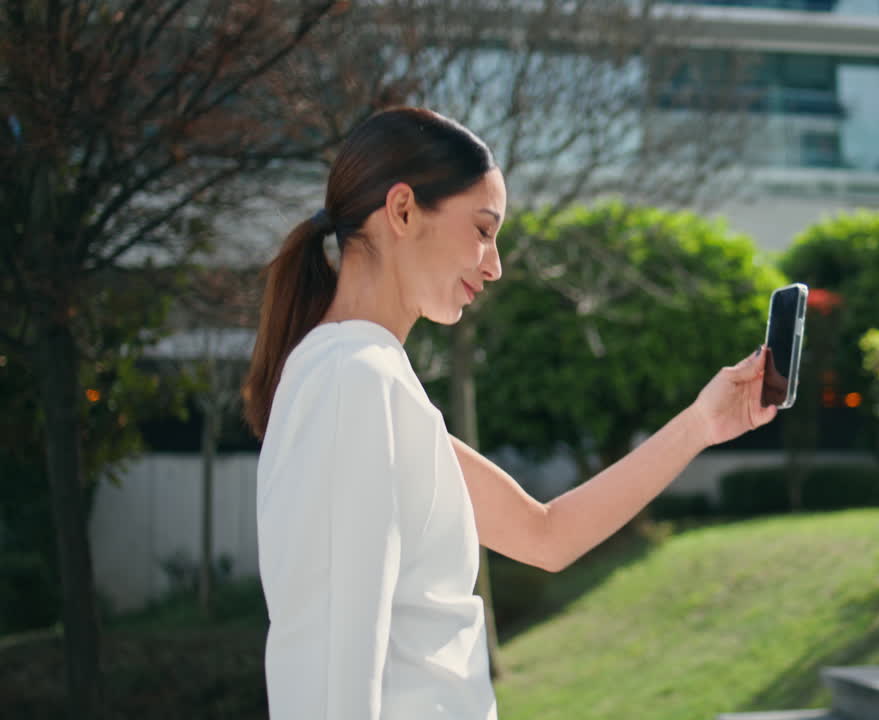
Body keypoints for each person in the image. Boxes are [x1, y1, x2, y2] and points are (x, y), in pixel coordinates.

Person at [241, 106, 779, 720]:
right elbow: (335, 652)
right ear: (403, 210)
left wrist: (702, 424)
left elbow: (544, 534)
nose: (494, 265)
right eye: (482, 229)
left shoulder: (371, 380)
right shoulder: (352, 379)